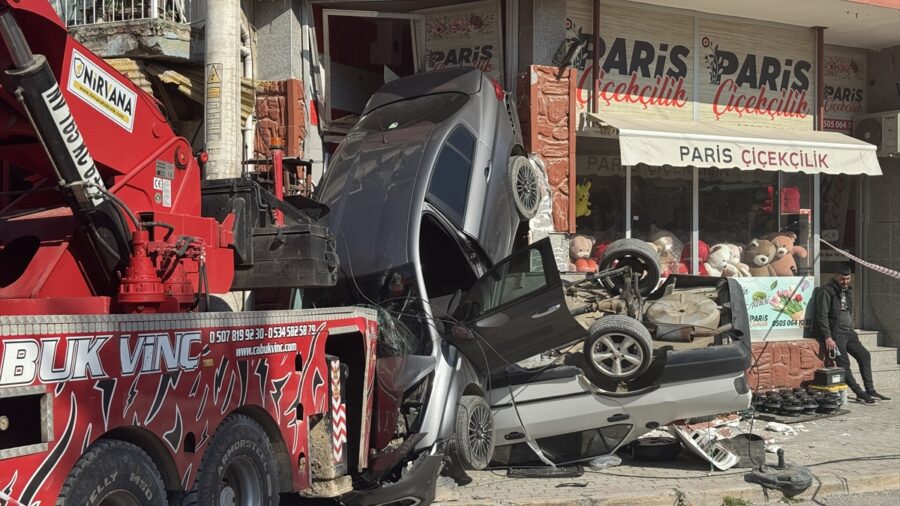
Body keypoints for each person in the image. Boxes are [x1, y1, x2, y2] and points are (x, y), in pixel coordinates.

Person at [815, 264, 890, 404]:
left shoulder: (847, 291)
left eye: (848, 278)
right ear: (836, 276)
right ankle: (859, 392)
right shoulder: (827, 291)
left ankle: (870, 390)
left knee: (865, 355)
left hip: (849, 332)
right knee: (844, 364)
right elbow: (822, 316)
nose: (846, 281)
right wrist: (828, 337)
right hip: (836, 335)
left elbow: (848, 311)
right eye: (843, 279)